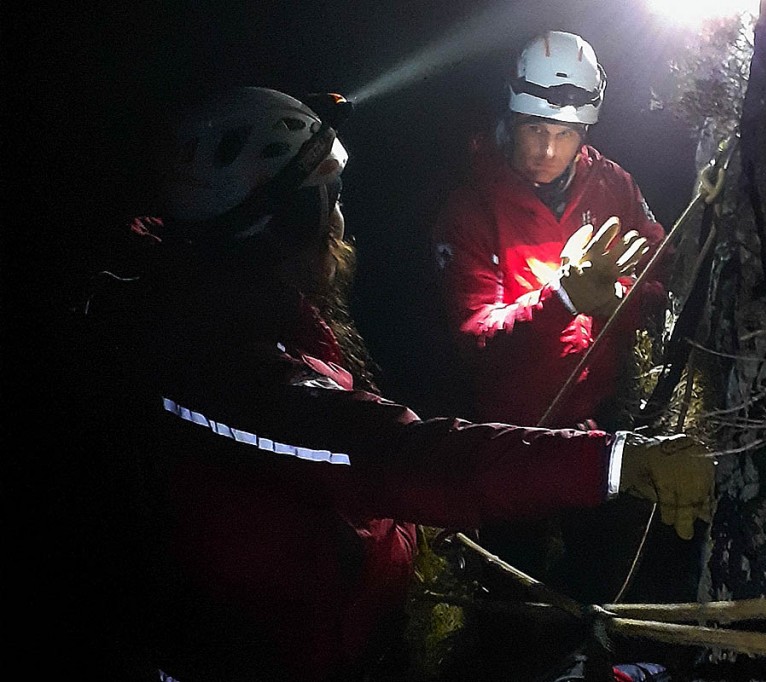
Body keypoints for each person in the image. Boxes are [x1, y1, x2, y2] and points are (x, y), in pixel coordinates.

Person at [71, 85, 708, 682]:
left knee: (584, 583)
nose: (341, 225)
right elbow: (393, 452)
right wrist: (615, 457)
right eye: (328, 202)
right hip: (289, 655)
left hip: (352, 610)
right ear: (286, 224)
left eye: (563, 132)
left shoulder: (241, 318)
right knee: (519, 622)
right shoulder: (222, 366)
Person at [431, 31, 714, 603]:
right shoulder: (471, 210)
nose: (547, 150)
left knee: (600, 583)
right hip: (512, 434)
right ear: (512, 119)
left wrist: (619, 299)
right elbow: (475, 340)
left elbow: (667, 280)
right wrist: (561, 300)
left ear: (584, 132)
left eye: (563, 134)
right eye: (535, 130)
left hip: (600, 419)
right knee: (512, 590)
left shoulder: (613, 187)